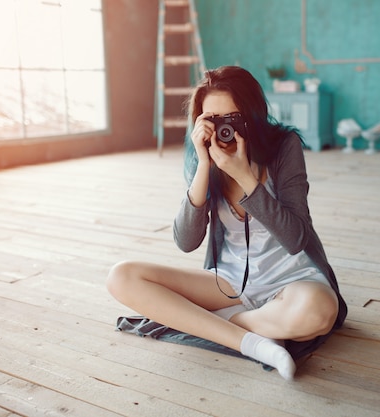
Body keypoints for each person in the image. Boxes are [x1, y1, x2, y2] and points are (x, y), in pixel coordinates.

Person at [107, 66, 347, 380]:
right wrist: (204, 165)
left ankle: (217, 324)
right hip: (231, 283)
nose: (224, 130)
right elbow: (186, 241)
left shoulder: (283, 147)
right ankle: (257, 342)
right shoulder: (203, 155)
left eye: (233, 119)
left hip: (294, 279)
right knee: (121, 276)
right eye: (213, 120)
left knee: (317, 312)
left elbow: (296, 238)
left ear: (253, 115)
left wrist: (245, 177)